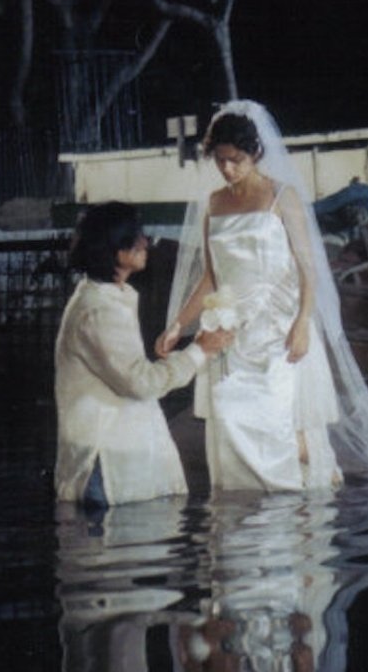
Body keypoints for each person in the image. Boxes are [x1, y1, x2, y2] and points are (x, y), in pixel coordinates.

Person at [155, 100, 368, 492]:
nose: (227, 168)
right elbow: (211, 275)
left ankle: (289, 510)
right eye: (220, 160)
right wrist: (176, 325)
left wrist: (302, 324)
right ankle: (241, 516)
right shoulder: (214, 203)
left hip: (277, 326)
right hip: (229, 329)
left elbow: (309, 269)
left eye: (236, 159)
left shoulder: (282, 197)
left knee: (277, 423)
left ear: (256, 152)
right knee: (229, 421)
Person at [54, 201, 232, 507]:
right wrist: (198, 351)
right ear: (116, 249)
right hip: (106, 468)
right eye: (137, 236)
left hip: (115, 459)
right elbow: (141, 383)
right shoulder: (99, 310)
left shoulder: (108, 298)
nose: (145, 242)